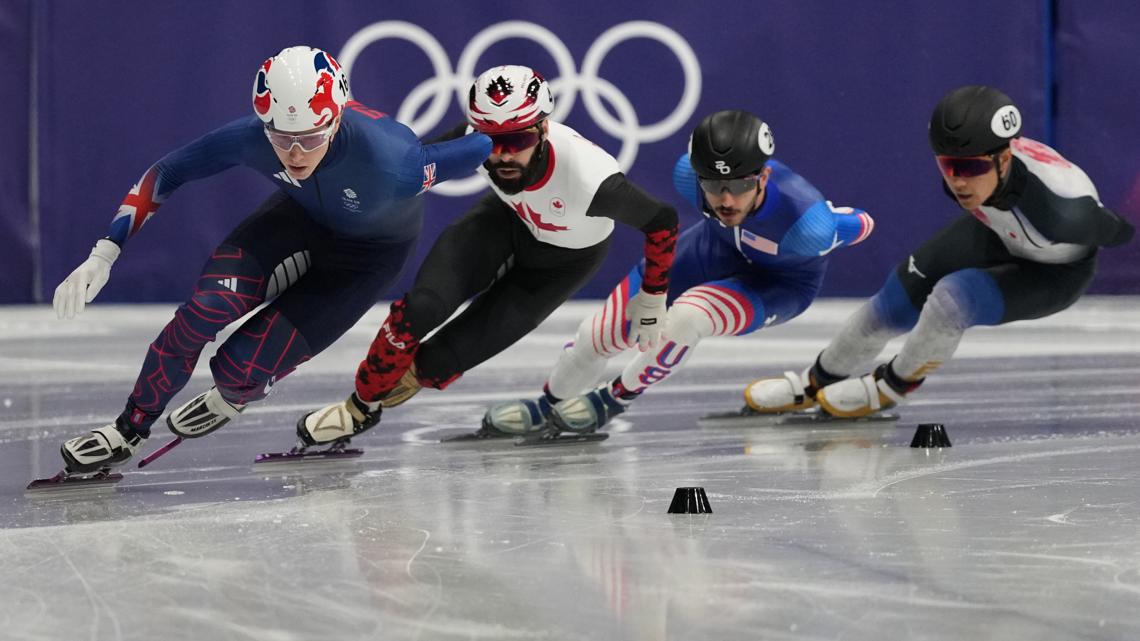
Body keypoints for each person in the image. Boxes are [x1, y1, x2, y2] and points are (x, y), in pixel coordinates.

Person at [53, 45, 491, 476]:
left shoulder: (395, 165)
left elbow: (479, 146)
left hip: (365, 261)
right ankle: (128, 427)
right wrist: (104, 253)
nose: (296, 153)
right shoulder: (252, 136)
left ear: (335, 121)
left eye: (311, 138)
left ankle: (237, 391)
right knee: (204, 311)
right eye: (281, 138)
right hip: (298, 222)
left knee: (237, 367)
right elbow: (168, 171)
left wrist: (504, 125)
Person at [295, 64, 680, 446]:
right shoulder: (476, 142)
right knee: (420, 308)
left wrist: (653, 294)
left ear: (544, 129)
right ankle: (359, 409)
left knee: (433, 365)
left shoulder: (592, 181)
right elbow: (408, 168)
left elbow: (662, 220)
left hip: (562, 264)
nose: (502, 156)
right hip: (504, 222)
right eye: (490, 141)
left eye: (517, 142)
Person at [744, 85, 1134, 418]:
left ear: (1004, 159)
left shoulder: (1061, 209)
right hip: (996, 233)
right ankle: (814, 383)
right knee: (891, 303)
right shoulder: (982, 171)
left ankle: (891, 386)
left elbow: (1120, 230)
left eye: (970, 167)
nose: (958, 180)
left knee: (951, 300)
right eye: (948, 165)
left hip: (1055, 275)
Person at [483, 109, 876, 436]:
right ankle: (547, 403)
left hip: (778, 284)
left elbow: (862, 221)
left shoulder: (808, 226)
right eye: (714, 183)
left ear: (765, 177)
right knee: (596, 335)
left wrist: (835, 220)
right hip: (711, 251)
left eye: (739, 184)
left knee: (689, 316)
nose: (725, 199)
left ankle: (614, 398)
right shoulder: (687, 175)